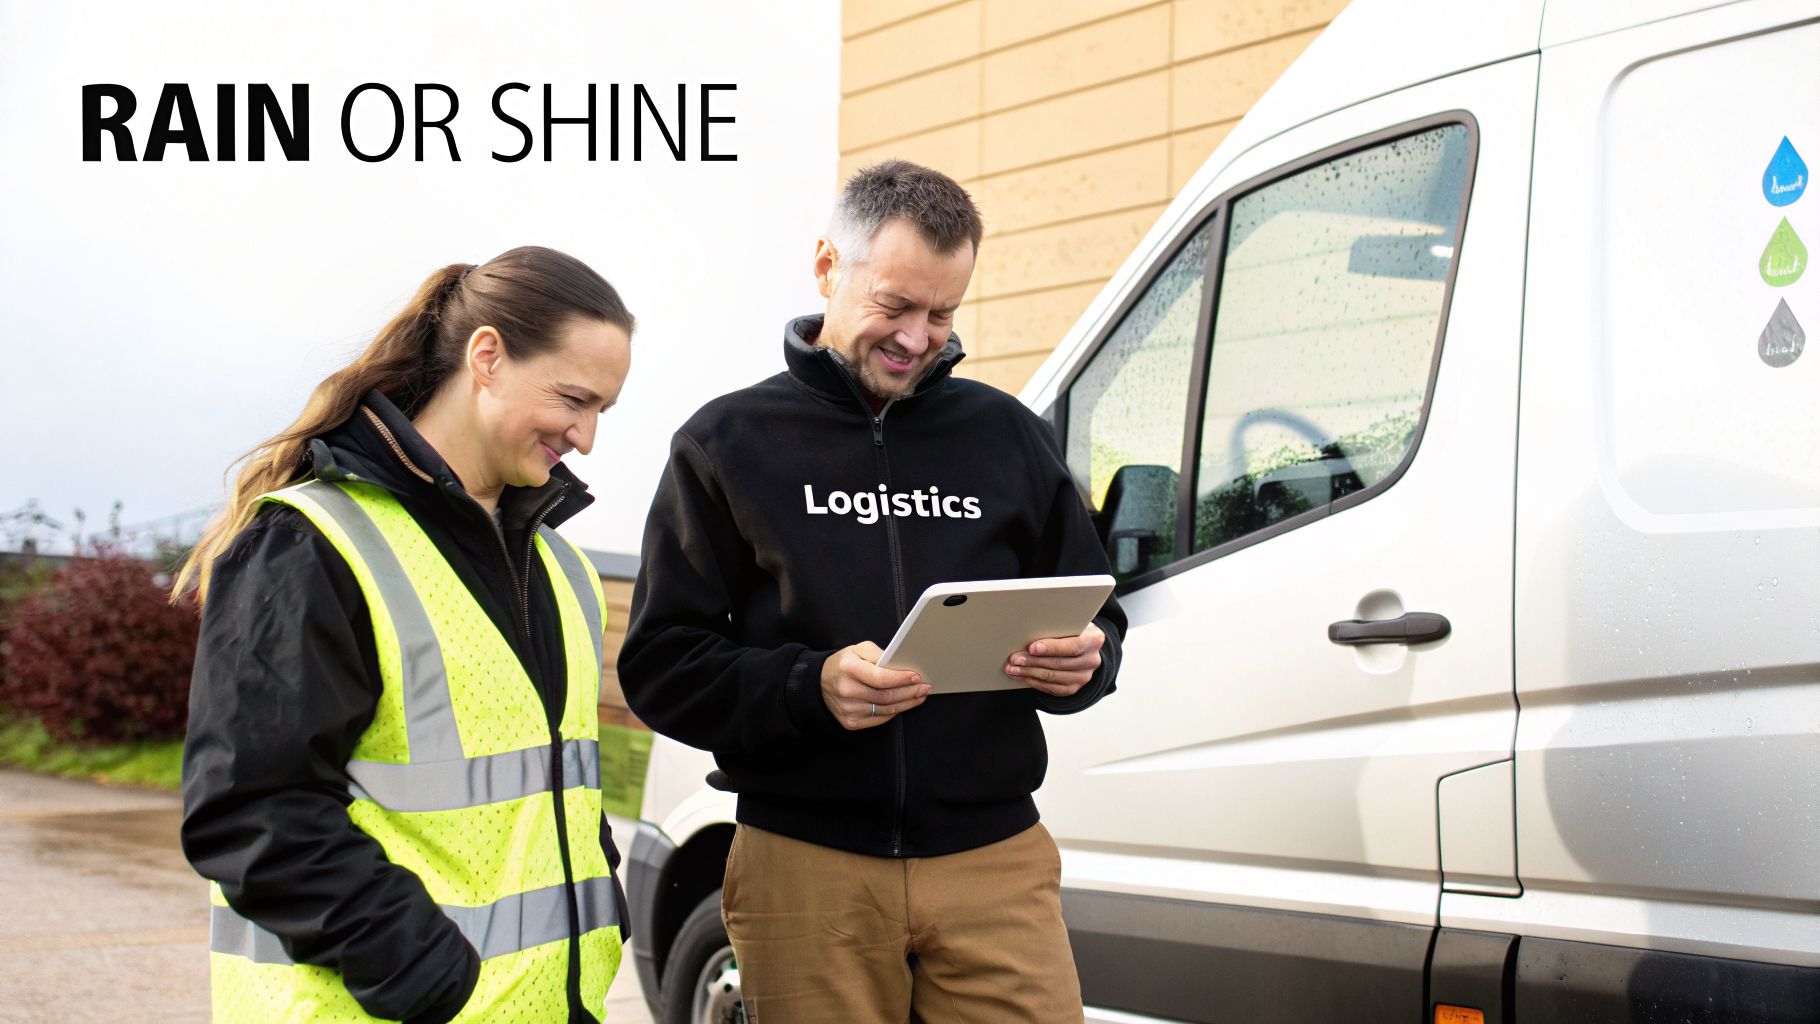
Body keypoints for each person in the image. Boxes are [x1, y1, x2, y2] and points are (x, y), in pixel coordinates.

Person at [618, 160, 1127, 1022]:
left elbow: (1094, 610)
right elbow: (662, 666)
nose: (919, 337)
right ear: (827, 268)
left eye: (944, 313)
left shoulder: (1006, 435)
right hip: (806, 865)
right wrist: (806, 688)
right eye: (895, 307)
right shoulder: (728, 442)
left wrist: (1088, 660)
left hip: (994, 859)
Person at [177, 246, 635, 1024]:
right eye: (573, 399)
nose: (585, 437)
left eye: (602, 412)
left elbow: (557, 792)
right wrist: (424, 973)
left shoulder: (564, 568)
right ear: (486, 356)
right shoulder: (314, 545)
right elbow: (251, 810)